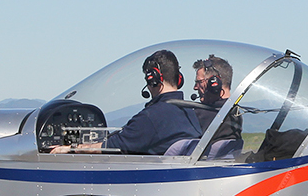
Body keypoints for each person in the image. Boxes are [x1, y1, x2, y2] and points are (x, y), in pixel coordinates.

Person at [50, 50, 201, 155]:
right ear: (178, 78)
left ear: (153, 79)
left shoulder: (151, 117)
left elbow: (111, 147)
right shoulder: (190, 113)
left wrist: (70, 149)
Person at [193, 54, 242, 148]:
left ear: (214, 82)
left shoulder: (200, 115)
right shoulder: (236, 113)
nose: (195, 87)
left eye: (199, 82)